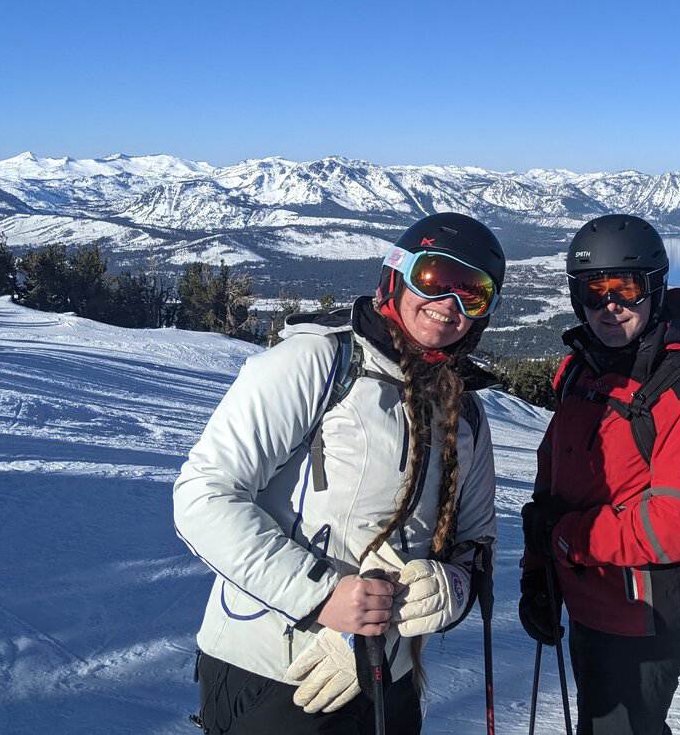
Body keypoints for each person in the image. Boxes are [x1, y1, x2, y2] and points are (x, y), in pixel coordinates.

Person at [174, 212, 506, 735]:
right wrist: (321, 596)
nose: (450, 305)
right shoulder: (318, 362)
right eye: (436, 280)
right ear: (398, 273)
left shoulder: (463, 411)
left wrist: (452, 589)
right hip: (278, 670)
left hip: (388, 676)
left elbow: (476, 542)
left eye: (474, 294)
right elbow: (204, 496)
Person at [520, 214, 680, 734]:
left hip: (646, 618)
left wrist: (568, 541)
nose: (610, 305)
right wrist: (538, 571)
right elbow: (552, 477)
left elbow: (675, 525)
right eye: (595, 291)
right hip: (586, 600)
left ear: (654, 289)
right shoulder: (581, 371)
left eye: (627, 288)